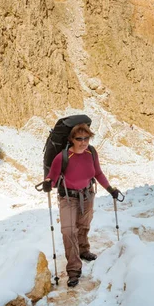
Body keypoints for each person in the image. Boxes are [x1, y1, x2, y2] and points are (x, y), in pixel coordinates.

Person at [45, 123, 120, 288]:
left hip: (87, 194)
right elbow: (52, 177)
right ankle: (73, 270)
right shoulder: (62, 157)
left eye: (86, 138)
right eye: (79, 138)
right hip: (68, 198)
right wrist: (47, 185)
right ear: (72, 139)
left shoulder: (91, 153)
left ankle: (84, 250)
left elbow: (98, 173)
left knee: (84, 224)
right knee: (68, 230)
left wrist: (110, 189)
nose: (83, 142)